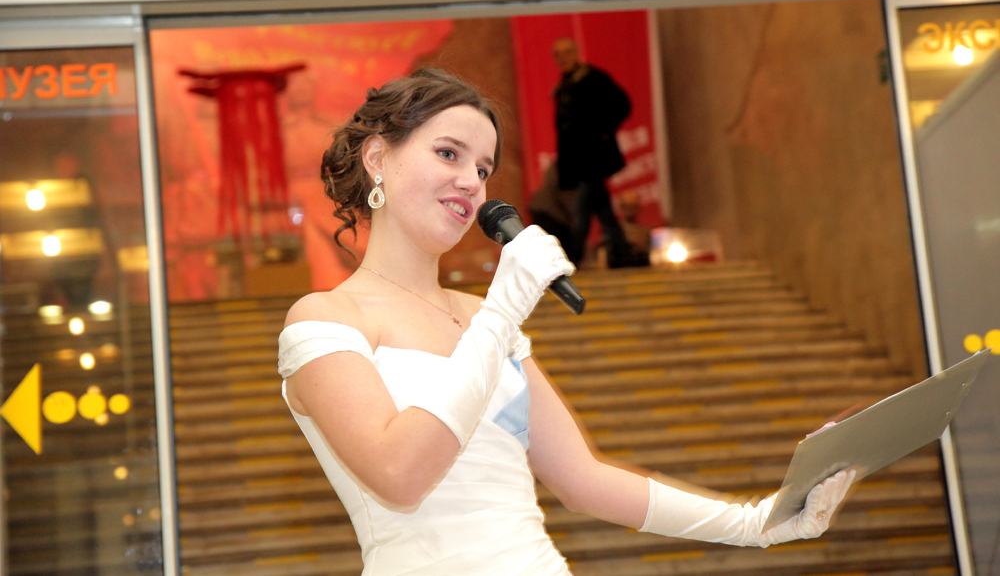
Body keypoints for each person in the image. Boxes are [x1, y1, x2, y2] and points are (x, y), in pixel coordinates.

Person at [277, 68, 855, 575]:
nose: (472, 182)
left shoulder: (482, 317)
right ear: (378, 158)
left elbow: (584, 480)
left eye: (484, 168)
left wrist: (756, 523)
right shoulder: (327, 319)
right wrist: (501, 312)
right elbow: (399, 475)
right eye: (449, 154)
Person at [552, 38, 634, 268]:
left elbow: (623, 104)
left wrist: (604, 131)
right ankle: (622, 253)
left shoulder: (593, 78)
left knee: (581, 210)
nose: (563, 58)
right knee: (603, 210)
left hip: (593, 158)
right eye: (558, 54)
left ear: (576, 53)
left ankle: (572, 258)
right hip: (579, 161)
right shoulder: (565, 85)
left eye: (567, 52)